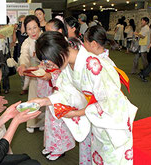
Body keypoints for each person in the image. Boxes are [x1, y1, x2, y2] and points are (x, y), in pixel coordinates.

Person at [30, 30, 137, 165]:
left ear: (60, 53)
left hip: (113, 120)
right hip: (97, 117)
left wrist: (77, 113)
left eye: (49, 62)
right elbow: (67, 92)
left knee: (112, 159)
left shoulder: (92, 64)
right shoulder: (68, 65)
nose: (48, 67)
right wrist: (44, 101)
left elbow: (108, 101)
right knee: (98, 157)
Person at [38, 18, 75, 160]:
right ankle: (51, 145)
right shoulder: (54, 45)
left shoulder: (67, 46)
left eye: (49, 31)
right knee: (50, 119)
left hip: (65, 89)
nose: (47, 34)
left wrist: (51, 73)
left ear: (59, 31)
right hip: (56, 87)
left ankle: (60, 148)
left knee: (59, 120)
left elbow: (65, 72)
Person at [17, 15, 44, 133]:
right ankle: (32, 123)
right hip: (33, 72)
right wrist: (23, 65)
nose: (32, 31)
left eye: (35, 27)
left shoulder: (45, 38)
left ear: (39, 27)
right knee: (33, 96)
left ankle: (43, 122)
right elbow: (24, 56)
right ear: (25, 30)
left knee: (45, 97)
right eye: (29, 29)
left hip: (47, 72)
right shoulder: (26, 42)